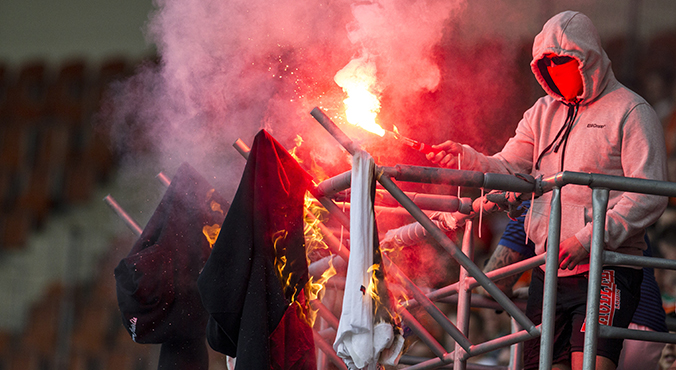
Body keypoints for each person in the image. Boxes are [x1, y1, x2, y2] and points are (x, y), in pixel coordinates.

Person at [427, 11, 668, 370]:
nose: (555, 69)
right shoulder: (540, 113)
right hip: (549, 268)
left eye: (563, 61)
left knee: (590, 364)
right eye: (548, 63)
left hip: (606, 270)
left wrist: (589, 239)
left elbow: (649, 193)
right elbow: (509, 167)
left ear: (587, 59)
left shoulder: (631, 111)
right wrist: (469, 157)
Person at [483, 201, 668, 370]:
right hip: (647, 328)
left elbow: (493, 282)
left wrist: (519, 292)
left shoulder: (534, 203)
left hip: (597, 322)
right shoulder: (612, 201)